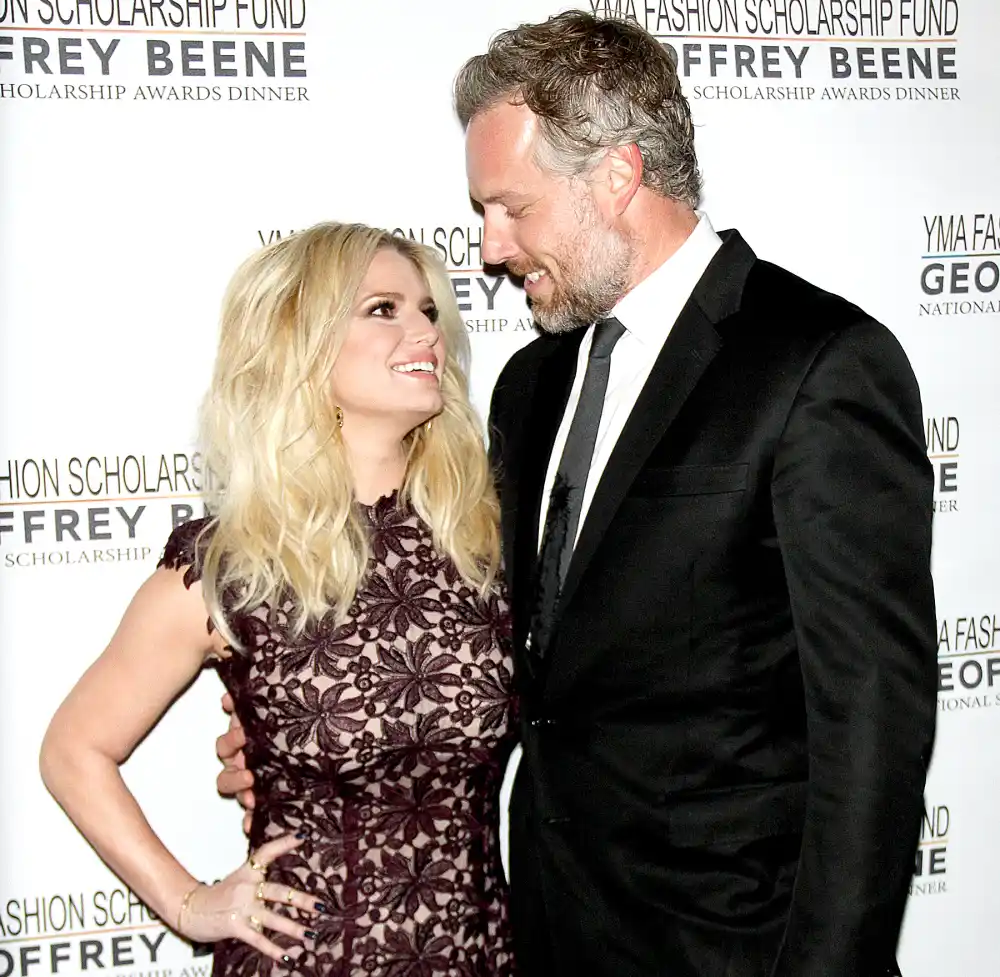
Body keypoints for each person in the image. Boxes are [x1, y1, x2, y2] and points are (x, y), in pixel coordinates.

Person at [219, 12, 937, 977]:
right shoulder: (532, 385)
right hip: (542, 935)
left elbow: (874, 723)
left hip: (733, 947)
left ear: (617, 176)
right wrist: (300, 732)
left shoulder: (817, 363)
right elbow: (518, 643)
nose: (488, 247)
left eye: (511, 207)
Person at [40, 222, 517, 977]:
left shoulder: (488, 536)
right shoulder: (230, 566)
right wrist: (190, 902)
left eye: (427, 309)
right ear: (303, 343)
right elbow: (74, 748)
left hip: (483, 957)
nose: (424, 328)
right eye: (382, 309)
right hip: (310, 959)